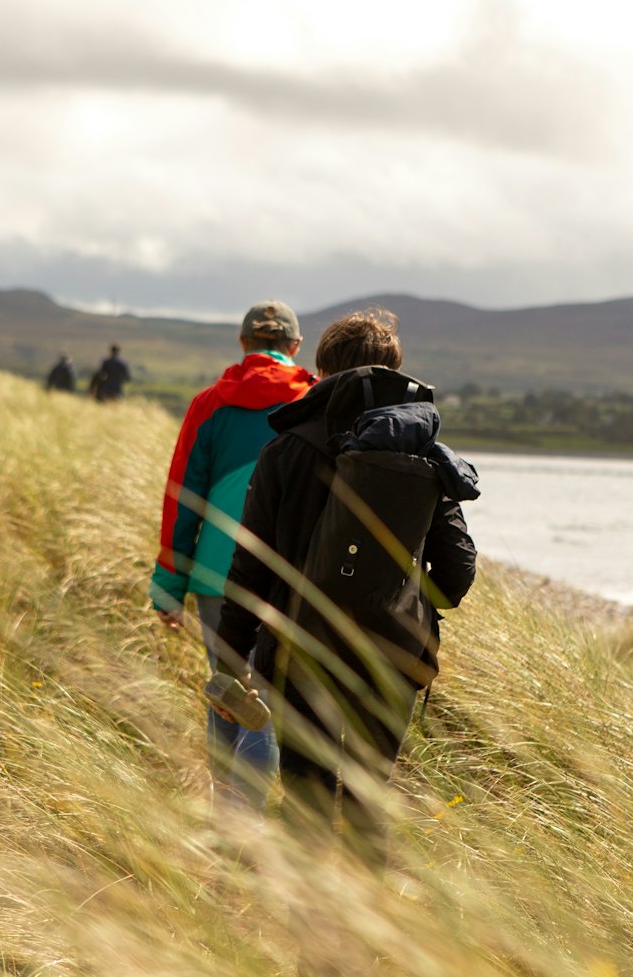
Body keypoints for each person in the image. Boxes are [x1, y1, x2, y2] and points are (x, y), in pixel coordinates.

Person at [213, 309, 478, 864]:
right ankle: (365, 945)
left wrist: (232, 660)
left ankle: (312, 936)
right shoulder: (423, 454)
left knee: (307, 797)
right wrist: (400, 603)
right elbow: (456, 577)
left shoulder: (284, 450)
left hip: (298, 651)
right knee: (367, 797)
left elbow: (250, 567)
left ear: (321, 369)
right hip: (391, 656)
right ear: (394, 371)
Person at [150, 301, 315, 809]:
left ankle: (229, 820)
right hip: (291, 578)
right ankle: (245, 827)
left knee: (227, 693)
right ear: (295, 346)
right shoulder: (316, 401)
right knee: (264, 697)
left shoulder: (209, 405)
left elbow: (183, 498)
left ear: (243, 344)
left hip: (216, 578)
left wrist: (168, 587)